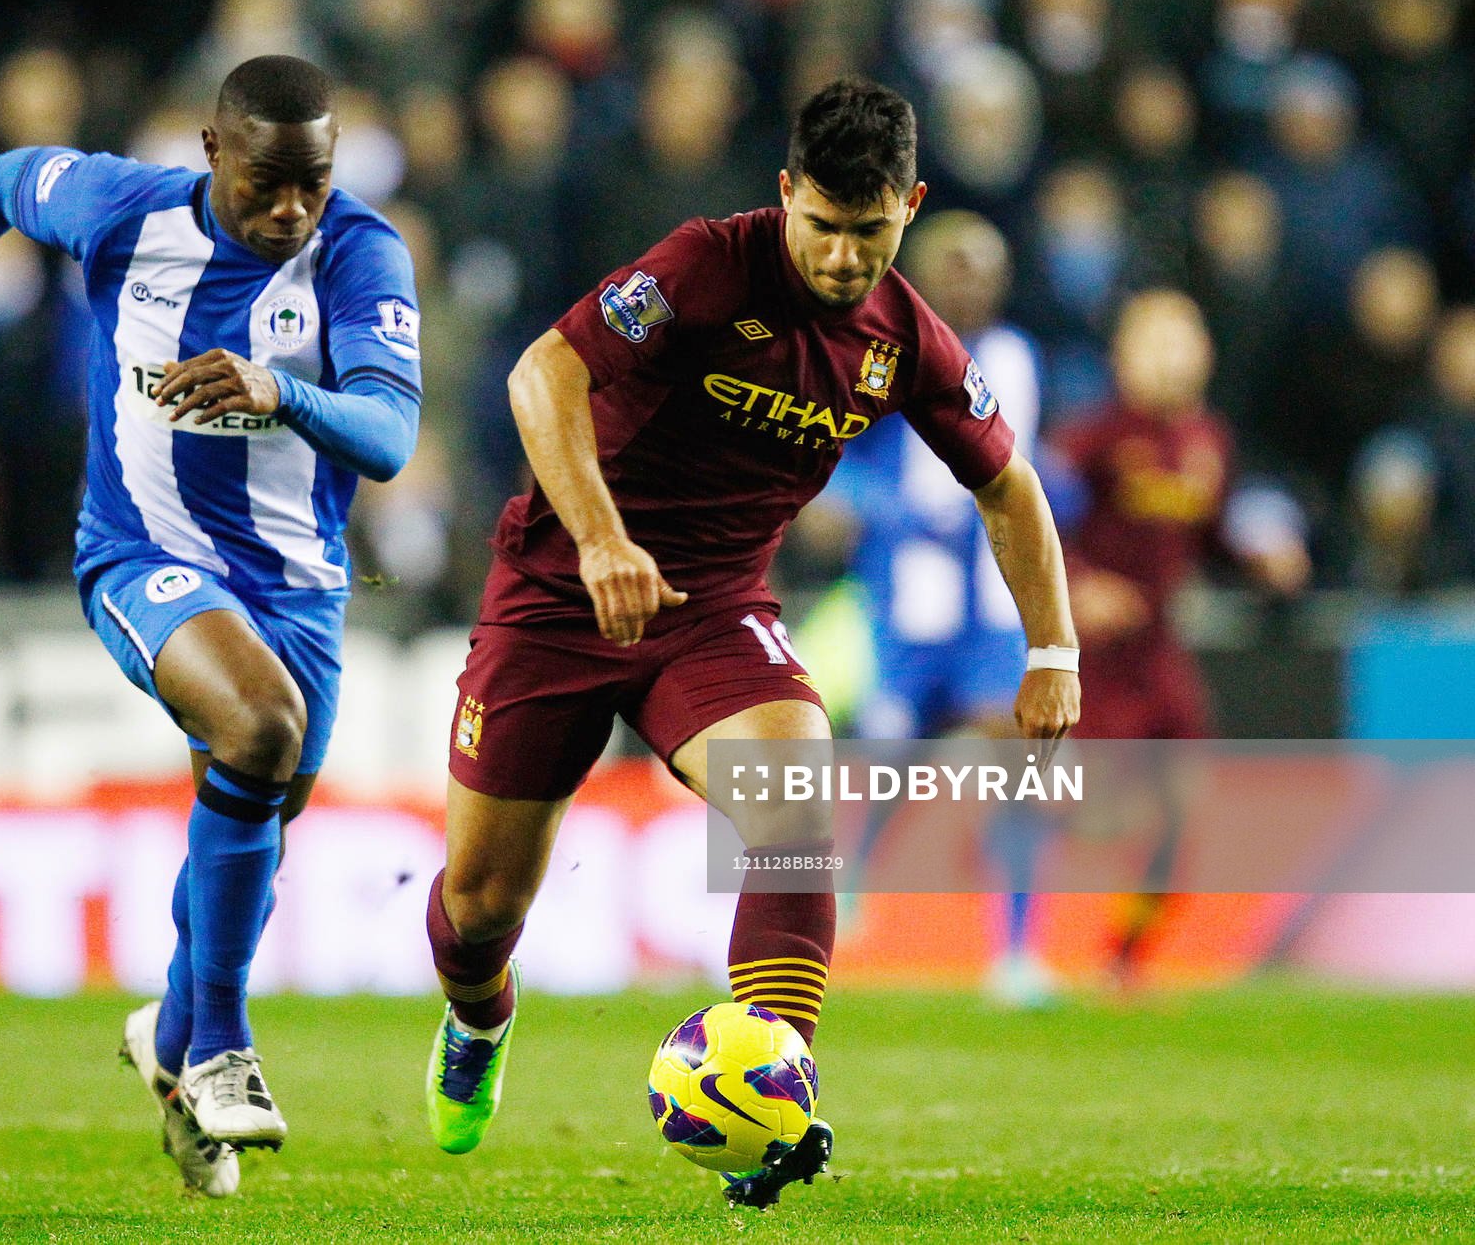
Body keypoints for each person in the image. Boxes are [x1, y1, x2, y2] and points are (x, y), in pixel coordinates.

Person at [421, 77, 1080, 1208]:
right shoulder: (706, 265)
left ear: (910, 207)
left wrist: (1053, 650)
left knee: (794, 804)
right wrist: (598, 538)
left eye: (868, 233)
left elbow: (1007, 484)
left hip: (716, 611)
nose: (838, 258)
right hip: (559, 591)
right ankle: (478, 1018)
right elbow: (547, 372)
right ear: (786, 194)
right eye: (821, 225)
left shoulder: (904, 339)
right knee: (481, 909)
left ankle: (773, 1087)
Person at [0, 55, 421, 1199]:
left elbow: (389, 435)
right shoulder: (126, 210)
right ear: (210, 153)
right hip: (141, 554)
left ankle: (171, 1032)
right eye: (267, 186)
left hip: (298, 584)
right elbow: (1, 183)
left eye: (313, 183)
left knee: (264, 791)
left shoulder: (361, 253)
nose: (291, 209)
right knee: (260, 730)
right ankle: (219, 1051)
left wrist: (280, 389)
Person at [824, 210, 1060, 1009]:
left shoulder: (1024, 359)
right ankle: (847, 885)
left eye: (983, 264)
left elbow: (1046, 467)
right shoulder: (880, 353)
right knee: (895, 765)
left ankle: (1018, 949)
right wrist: (901, 511)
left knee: (1018, 762)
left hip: (994, 613)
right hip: (911, 609)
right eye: (953, 264)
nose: (970, 279)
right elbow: (836, 464)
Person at [1050, 289, 1307, 986]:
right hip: (1092, 659)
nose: (1170, 357)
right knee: (1098, 815)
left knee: (1181, 808)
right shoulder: (1089, 440)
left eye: (1182, 340)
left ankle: (1124, 959)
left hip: (1160, 651)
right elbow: (1031, 520)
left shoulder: (1207, 442)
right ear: (1123, 356)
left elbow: (1213, 532)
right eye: (1154, 341)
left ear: (1205, 353)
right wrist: (1077, 583)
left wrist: (1260, 557)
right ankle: (1008, 836)